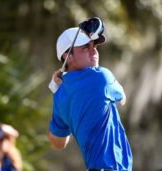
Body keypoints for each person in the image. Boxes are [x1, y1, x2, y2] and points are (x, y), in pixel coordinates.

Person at [47, 17, 133, 171]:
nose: (94, 51)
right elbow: (123, 98)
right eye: (85, 47)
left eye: (94, 46)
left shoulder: (59, 94)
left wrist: (59, 90)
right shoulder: (101, 76)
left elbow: (58, 143)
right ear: (68, 56)